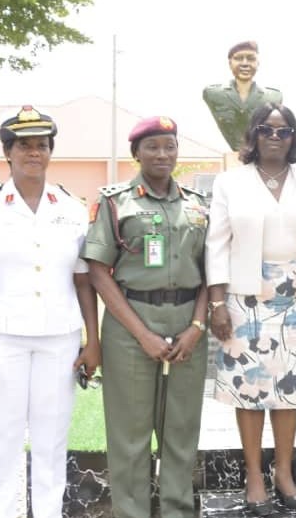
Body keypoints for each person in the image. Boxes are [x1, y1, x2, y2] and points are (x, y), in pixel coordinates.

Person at [0, 106, 100, 518]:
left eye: (42, 145)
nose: (34, 152)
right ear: (8, 152)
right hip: (0, 339)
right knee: (2, 439)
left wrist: (93, 340)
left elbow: (83, 280)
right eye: (24, 145)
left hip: (59, 339)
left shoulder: (71, 208)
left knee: (52, 440)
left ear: (50, 152)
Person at [205, 103, 296, 515]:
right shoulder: (230, 183)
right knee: (249, 389)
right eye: (266, 130)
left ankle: (284, 473)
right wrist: (217, 302)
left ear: (293, 137)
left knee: (289, 389)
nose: (275, 138)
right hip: (244, 300)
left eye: (283, 131)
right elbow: (216, 244)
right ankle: (254, 477)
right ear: (253, 135)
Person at [81, 116, 210, 518]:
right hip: (130, 326)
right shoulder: (116, 202)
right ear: (136, 152)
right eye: (152, 146)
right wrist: (143, 335)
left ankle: (176, 511)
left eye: (169, 146)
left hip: (188, 324)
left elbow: (213, 272)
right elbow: (98, 271)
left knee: (181, 432)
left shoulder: (198, 204)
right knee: (130, 435)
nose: (162, 154)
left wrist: (197, 326)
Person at [203, 41, 284, 152]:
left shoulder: (273, 97)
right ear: (230, 63)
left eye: (251, 59)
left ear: (258, 63)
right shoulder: (213, 94)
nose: (245, 63)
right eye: (239, 58)